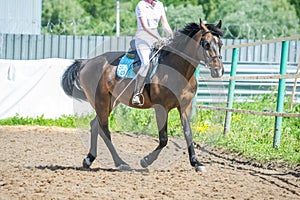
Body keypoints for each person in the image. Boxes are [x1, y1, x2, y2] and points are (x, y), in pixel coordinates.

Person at [132, 0, 173, 106]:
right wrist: (159, 38)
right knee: (146, 63)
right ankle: (137, 93)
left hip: (156, 38)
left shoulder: (159, 5)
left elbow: (164, 23)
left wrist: (171, 34)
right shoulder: (141, 5)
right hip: (143, 38)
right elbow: (145, 27)